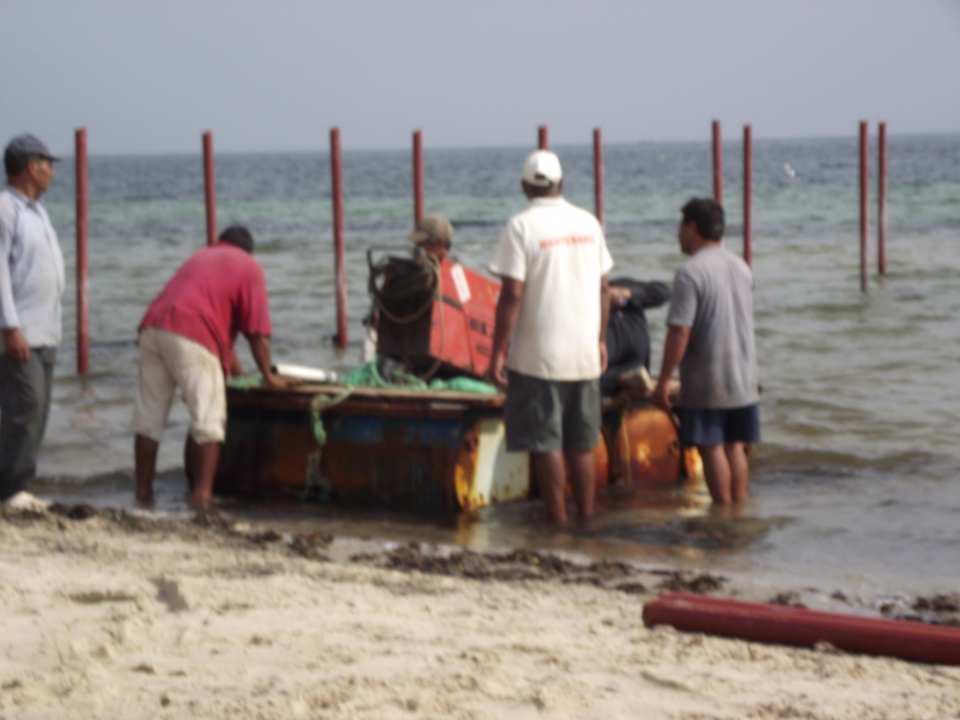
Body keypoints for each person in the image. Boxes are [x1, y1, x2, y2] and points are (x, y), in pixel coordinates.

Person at [489, 150, 613, 525]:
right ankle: (587, 518)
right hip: (584, 354)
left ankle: (558, 522)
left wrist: (497, 352)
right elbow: (604, 287)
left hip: (537, 356)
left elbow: (512, 294)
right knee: (583, 442)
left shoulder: (520, 227)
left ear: (525, 186)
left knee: (547, 444)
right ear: (562, 183)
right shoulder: (589, 223)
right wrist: (600, 339)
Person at [133, 225, 294, 510]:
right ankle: (202, 498)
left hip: (152, 328)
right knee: (209, 421)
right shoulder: (249, 266)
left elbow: (219, 329)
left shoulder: (202, 257)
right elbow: (257, 332)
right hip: (192, 333)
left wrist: (238, 372)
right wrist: (268, 376)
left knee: (150, 419)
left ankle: (142, 494)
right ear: (248, 250)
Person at [652, 198, 759, 504]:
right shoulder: (741, 267)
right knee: (735, 446)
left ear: (692, 228)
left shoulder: (690, 273)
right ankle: (737, 512)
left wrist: (663, 381)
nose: (678, 236)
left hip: (709, 378)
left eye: (680, 228)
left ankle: (722, 514)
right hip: (744, 376)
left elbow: (680, 331)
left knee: (711, 447)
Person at [0, 134, 64, 502]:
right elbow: (0, 274)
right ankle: (12, 487)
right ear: (29, 167)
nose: (52, 172)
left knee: (38, 411)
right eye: (47, 164)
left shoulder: (36, 211)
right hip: (20, 330)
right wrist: (10, 327)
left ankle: (21, 484)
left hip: (45, 329)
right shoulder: (6, 209)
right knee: (25, 408)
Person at [362, 213, 454, 362]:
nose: (418, 249)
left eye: (422, 244)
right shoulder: (414, 273)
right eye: (417, 245)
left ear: (439, 243)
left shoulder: (450, 274)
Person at [601, 277, 671, 396]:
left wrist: (628, 294)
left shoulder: (621, 285)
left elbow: (663, 292)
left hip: (638, 371)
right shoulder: (583, 298)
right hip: (608, 376)